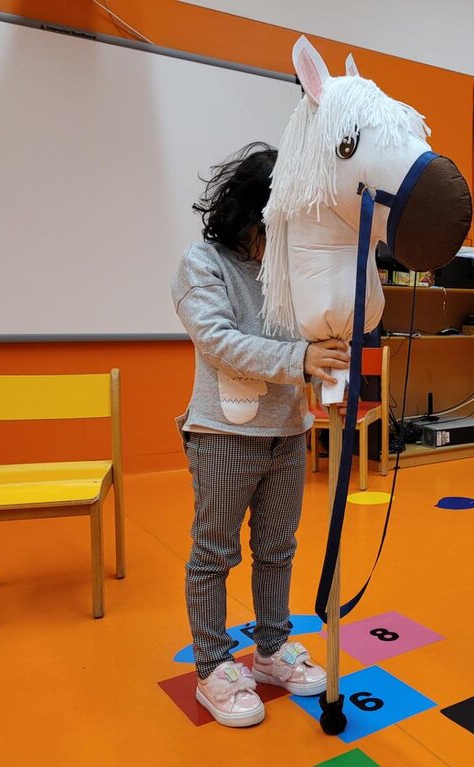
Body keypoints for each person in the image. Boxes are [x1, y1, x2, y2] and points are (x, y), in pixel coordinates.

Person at [171, 142, 349, 728]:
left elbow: (319, 332)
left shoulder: (293, 271)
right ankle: (213, 668)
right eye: (276, 227)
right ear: (248, 213)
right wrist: (302, 358)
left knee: (277, 550)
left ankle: (271, 649)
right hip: (223, 435)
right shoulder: (203, 264)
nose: (284, 240)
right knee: (214, 553)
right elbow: (219, 342)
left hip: (288, 432)